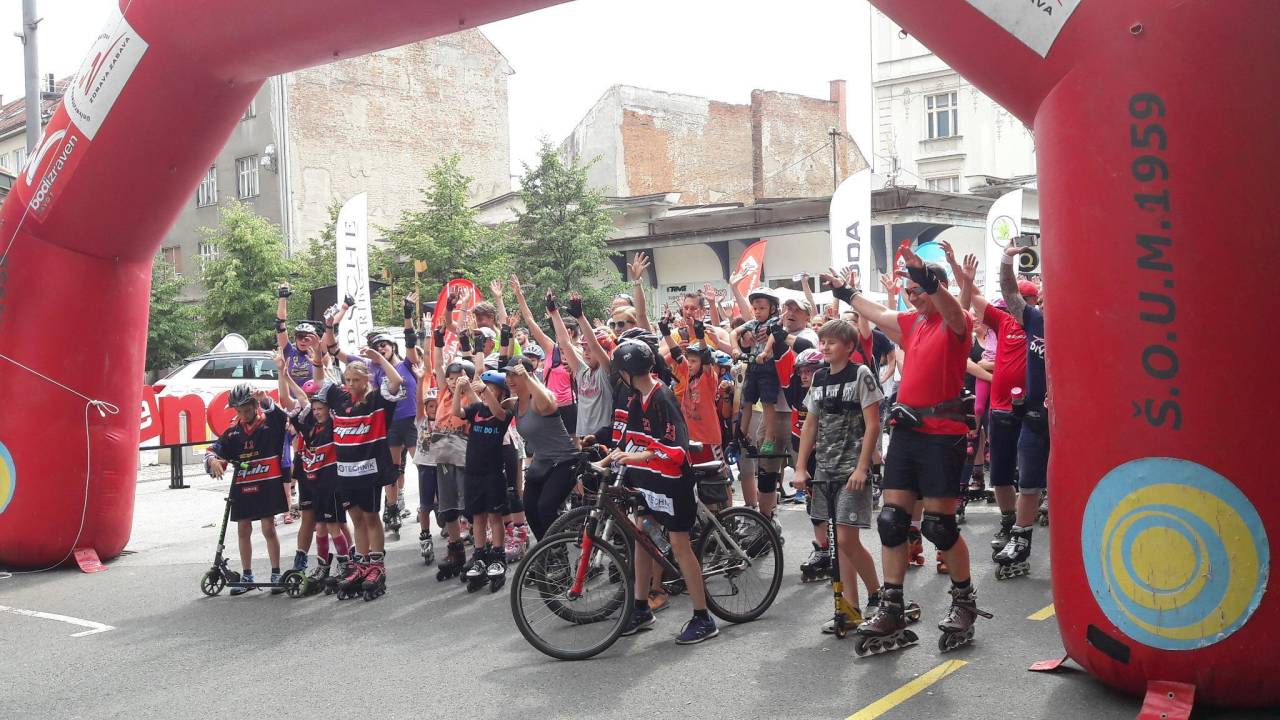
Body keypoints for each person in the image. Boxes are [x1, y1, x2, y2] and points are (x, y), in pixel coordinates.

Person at [823, 245, 989, 653]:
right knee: (892, 522)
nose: (912, 297)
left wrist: (928, 279)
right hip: (908, 431)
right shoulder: (913, 323)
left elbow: (952, 310)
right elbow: (877, 312)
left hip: (943, 435)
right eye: (909, 291)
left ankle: (963, 601)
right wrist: (845, 292)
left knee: (939, 526)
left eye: (918, 290)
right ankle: (892, 606)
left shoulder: (957, 322)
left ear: (935, 288)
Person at [608, 340, 718, 645]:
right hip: (649, 481)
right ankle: (641, 608)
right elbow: (630, 439)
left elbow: (676, 449)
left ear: (628, 372)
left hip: (674, 483)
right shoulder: (636, 398)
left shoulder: (663, 397)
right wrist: (604, 459)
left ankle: (703, 617)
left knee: (679, 544)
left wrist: (637, 457)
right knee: (642, 538)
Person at [792, 320, 885, 632]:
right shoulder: (819, 378)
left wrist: (862, 467)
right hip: (825, 469)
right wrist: (801, 466)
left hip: (851, 470)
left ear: (849, 346)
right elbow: (810, 425)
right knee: (837, 543)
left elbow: (873, 424)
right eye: (823, 342)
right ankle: (850, 607)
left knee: (846, 538)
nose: (825, 347)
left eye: (832, 342)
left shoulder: (861, 374)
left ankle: (878, 595)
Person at [312, 332, 405, 600]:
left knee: (371, 517)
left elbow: (396, 381)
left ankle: (377, 565)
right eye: (348, 380)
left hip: (370, 471)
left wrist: (378, 360)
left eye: (356, 380)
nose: (351, 384)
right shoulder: (340, 399)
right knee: (356, 520)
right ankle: (362, 564)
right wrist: (318, 354)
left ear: (366, 380)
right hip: (345, 472)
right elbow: (319, 381)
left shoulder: (378, 399)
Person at [204, 384, 289, 595]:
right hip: (243, 486)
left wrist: (265, 400)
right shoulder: (233, 432)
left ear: (255, 406)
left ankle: (276, 573)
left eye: (247, 410)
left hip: (267, 484)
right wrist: (213, 460)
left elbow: (281, 418)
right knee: (243, 529)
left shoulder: (269, 425)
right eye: (239, 411)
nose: (243, 415)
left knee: (268, 527)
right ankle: (247, 575)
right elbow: (213, 450)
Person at [995, 244, 1049, 575]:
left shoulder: (1081, 322)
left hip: (1070, 419)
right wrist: (1006, 259)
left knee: (1067, 484)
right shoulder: (1035, 319)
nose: (1042, 300)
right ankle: (1020, 539)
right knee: (1028, 482)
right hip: (1035, 416)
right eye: (1042, 296)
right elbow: (1009, 293)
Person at [277, 349, 351, 590]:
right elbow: (297, 400)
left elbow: (306, 398)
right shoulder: (309, 425)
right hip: (314, 481)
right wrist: (283, 375)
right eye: (314, 407)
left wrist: (320, 364)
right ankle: (323, 566)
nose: (315, 410)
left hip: (332, 483)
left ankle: (347, 563)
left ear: (328, 409)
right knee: (320, 526)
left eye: (320, 407)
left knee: (335, 526)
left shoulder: (334, 424)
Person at [454, 369, 516, 592]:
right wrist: (461, 389)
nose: (487, 391)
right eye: (486, 388)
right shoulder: (477, 409)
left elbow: (499, 413)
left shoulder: (504, 413)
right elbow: (457, 411)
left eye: (492, 389)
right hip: (473, 473)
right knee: (477, 517)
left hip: (493, 473)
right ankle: (479, 555)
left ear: (501, 393)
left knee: (495, 516)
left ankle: (498, 555)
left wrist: (483, 390)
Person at [731, 287, 784, 457]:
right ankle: (741, 433)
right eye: (755, 308)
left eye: (762, 308)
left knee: (767, 403)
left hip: (768, 367)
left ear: (772, 308)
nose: (758, 312)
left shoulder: (774, 322)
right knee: (746, 400)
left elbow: (773, 336)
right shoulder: (753, 324)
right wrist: (735, 349)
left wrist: (765, 352)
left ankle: (769, 437)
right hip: (753, 366)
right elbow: (733, 332)